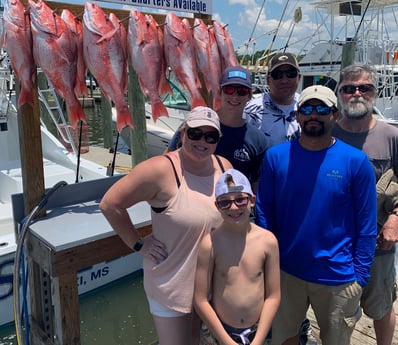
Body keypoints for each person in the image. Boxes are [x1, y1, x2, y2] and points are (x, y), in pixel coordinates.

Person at [99, 106, 233, 345]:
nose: (202, 141)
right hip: (171, 283)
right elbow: (110, 204)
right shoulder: (160, 169)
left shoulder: (224, 167)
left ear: (218, 141)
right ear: (182, 133)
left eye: (210, 136)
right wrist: (139, 243)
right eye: (195, 133)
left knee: (196, 340)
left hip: (211, 285)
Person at [256, 85, 377, 345]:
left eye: (322, 108)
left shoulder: (356, 161)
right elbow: (264, 212)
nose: (314, 114)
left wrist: (360, 277)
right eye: (307, 108)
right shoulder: (275, 157)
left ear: (334, 115)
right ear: (297, 115)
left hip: (339, 277)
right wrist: (268, 263)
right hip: (286, 273)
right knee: (283, 339)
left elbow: (367, 225)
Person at [333, 63, 398, 345]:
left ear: (374, 92)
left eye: (364, 87)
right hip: (335, 245)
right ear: (340, 94)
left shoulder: (391, 136)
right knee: (337, 312)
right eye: (349, 88)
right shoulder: (325, 134)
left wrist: (395, 219)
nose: (357, 93)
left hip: (378, 247)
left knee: (381, 307)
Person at [194, 168, 280, 345]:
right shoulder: (210, 243)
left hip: (259, 332)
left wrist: (258, 340)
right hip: (221, 334)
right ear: (217, 206)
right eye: (225, 203)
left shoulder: (268, 241)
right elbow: (200, 299)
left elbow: (273, 295)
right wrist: (227, 341)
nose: (233, 207)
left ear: (252, 201)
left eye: (240, 199)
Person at [167, 65, 267, 190]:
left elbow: (256, 184)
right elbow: (168, 159)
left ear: (249, 96)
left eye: (242, 91)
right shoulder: (195, 124)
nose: (235, 96)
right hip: (191, 198)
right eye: (229, 90)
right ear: (219, 92)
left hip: (230, 205)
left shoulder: (258, 140)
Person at [243, 52, 301, 147]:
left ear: (299, 77)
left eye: (291, 74)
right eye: (277, 75)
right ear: (268, 80)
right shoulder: (250, 110)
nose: (284, 80)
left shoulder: (307, 107)